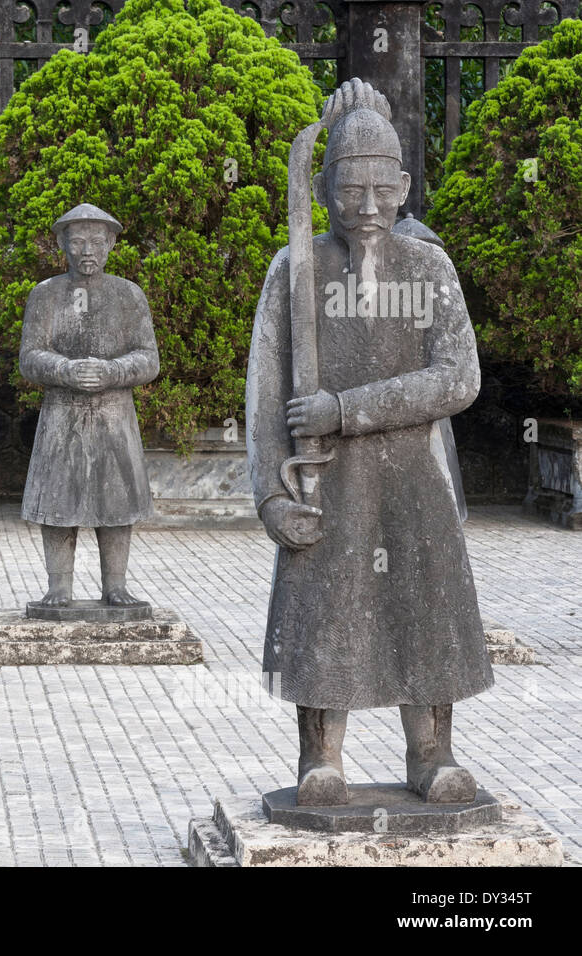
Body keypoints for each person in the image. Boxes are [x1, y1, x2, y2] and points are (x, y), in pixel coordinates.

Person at [246, 80, 492, 806]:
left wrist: (344, 409)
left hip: (416, 477)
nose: (367, 205)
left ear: (406, 185)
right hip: (324, 482)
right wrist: (268, 496)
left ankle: (432, 754)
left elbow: (458, 379)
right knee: (326, 611)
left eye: (383, 188)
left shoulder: (430, 268)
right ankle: (320, 759)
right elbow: (265, 395)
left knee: (426, 612)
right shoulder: (296, 268)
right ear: (324, 188)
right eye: (350, 188)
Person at [19, 203, 160, 607]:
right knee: (59, 504)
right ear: (62, 242)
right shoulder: (45, 295)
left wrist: (113, 372)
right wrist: (64, 369)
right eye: (77, 240)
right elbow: (30, 356)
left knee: (116, 505)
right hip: (61, 415)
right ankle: (58, 587)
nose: (87, 250)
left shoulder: (128, 295)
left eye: (97, 241)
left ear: (111, 243)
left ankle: (115, 586)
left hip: (115, 417)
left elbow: (149, 358)